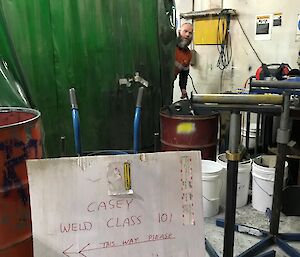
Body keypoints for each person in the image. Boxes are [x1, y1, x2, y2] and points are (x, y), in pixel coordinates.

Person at [174, 23, 193, 99]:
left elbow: (184, 74)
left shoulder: (188, 55)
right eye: (185, 31)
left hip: (168, 85)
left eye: (190, 33)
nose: (187, 34)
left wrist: (183, 89)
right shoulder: (169, 46)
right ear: (179, 32)